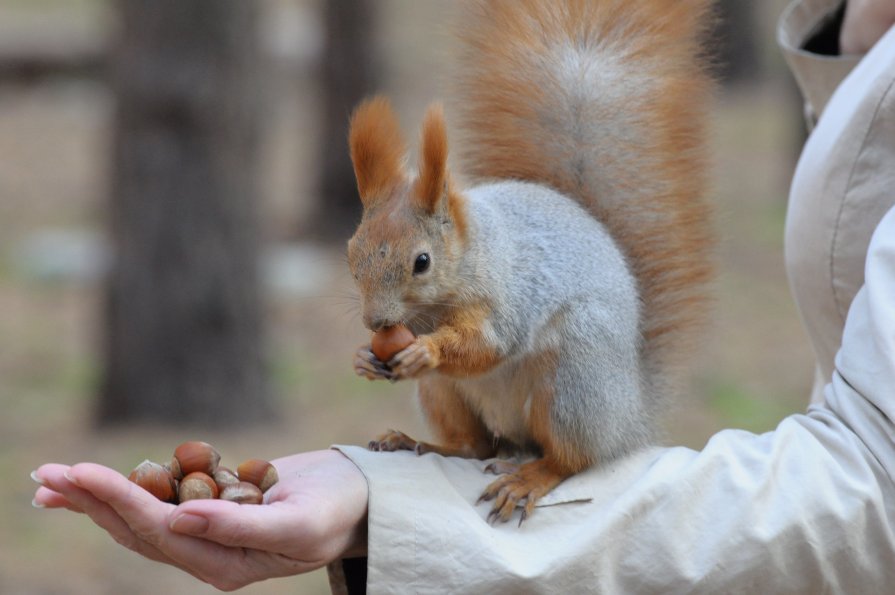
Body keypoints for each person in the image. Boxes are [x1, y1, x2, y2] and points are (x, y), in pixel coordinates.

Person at [31, 0, 895, 592]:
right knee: (433, 364)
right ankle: (461, 445)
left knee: (499, 344)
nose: (377, 314)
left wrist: (429, 370)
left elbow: (496, 337)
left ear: (443, 237)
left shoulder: (474, 270)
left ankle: (552, 458)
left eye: (403, 280)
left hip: (566, 366)